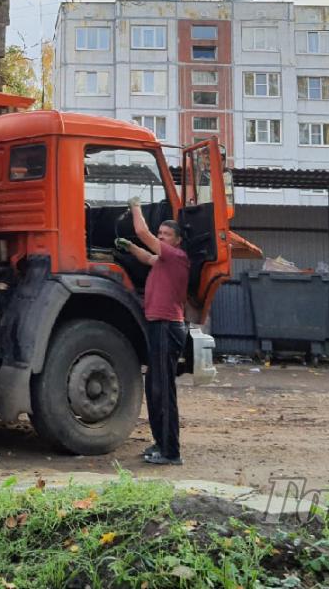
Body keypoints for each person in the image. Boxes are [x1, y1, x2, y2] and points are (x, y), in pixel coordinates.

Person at [114, 197, 192, 467]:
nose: (161, 237)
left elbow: (143, 233)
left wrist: (135, 208)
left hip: (167, 327)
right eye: (160, 233)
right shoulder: (164, 260)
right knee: (154, 388)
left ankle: (171, 452)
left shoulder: (177, 257)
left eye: (166, 235)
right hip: (159, 325)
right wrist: (130, 247)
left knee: (163, 390)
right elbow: (147, 255)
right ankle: (161, 443)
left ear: (177, 241)